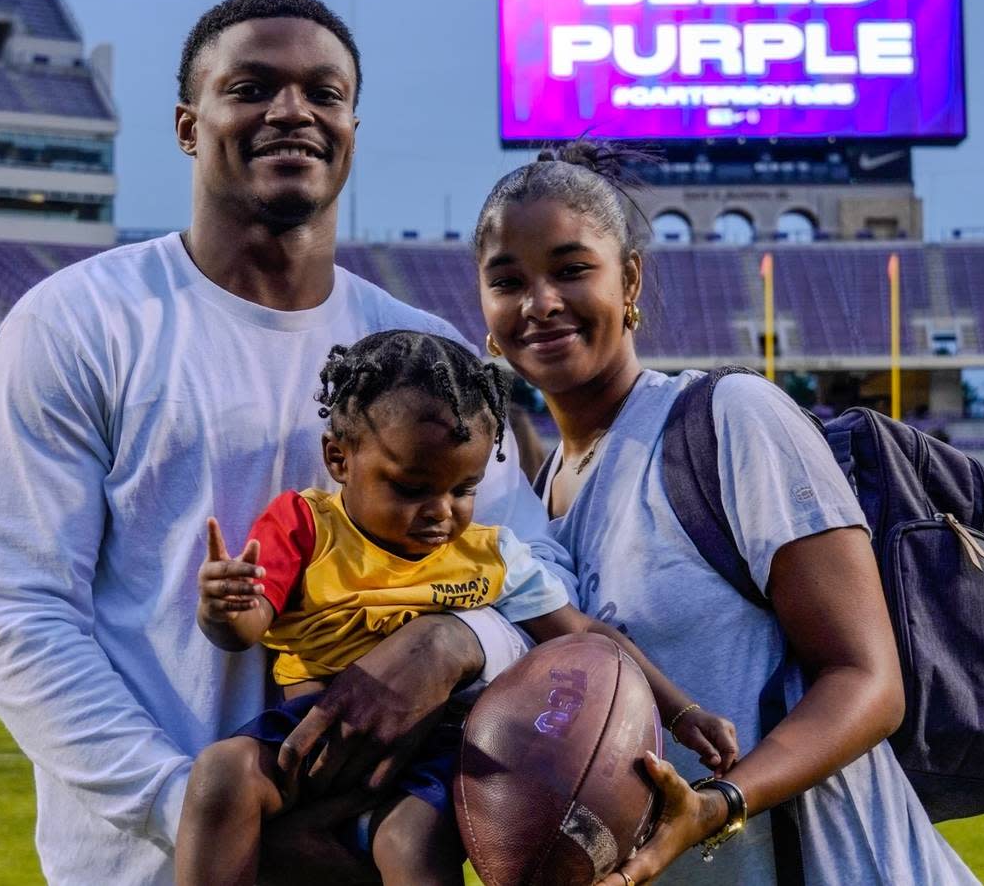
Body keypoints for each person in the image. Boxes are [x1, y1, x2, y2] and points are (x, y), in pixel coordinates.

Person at [0, 0, 573, 886]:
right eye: (251, 87)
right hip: (147, 864)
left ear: (352, 127)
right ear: (185, 125)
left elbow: (535, 582)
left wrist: (459, 641)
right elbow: (20, 615)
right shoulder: (78, 322)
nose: (293, 111)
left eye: (324, 93)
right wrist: (199, 811)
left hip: (370, 856)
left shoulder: (428, 359)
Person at [472, 143, 979, 884]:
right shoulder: (535, 497)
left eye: (572, 269)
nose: (540, 301)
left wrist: (718, 804)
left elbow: (869, 685)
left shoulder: (727, 418)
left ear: (631, 278)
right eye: (507, 281)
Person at [176, 330, 736, 886]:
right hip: (312, 733)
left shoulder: (491, 557)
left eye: (463, 489)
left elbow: (584, 635)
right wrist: (225, 608)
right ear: (339, 458)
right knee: (220, 774)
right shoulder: (306, 524)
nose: (439, 512)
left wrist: (683, 713)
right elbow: (246, 628)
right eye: (411, 487)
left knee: (409, 842)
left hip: (440, 748)